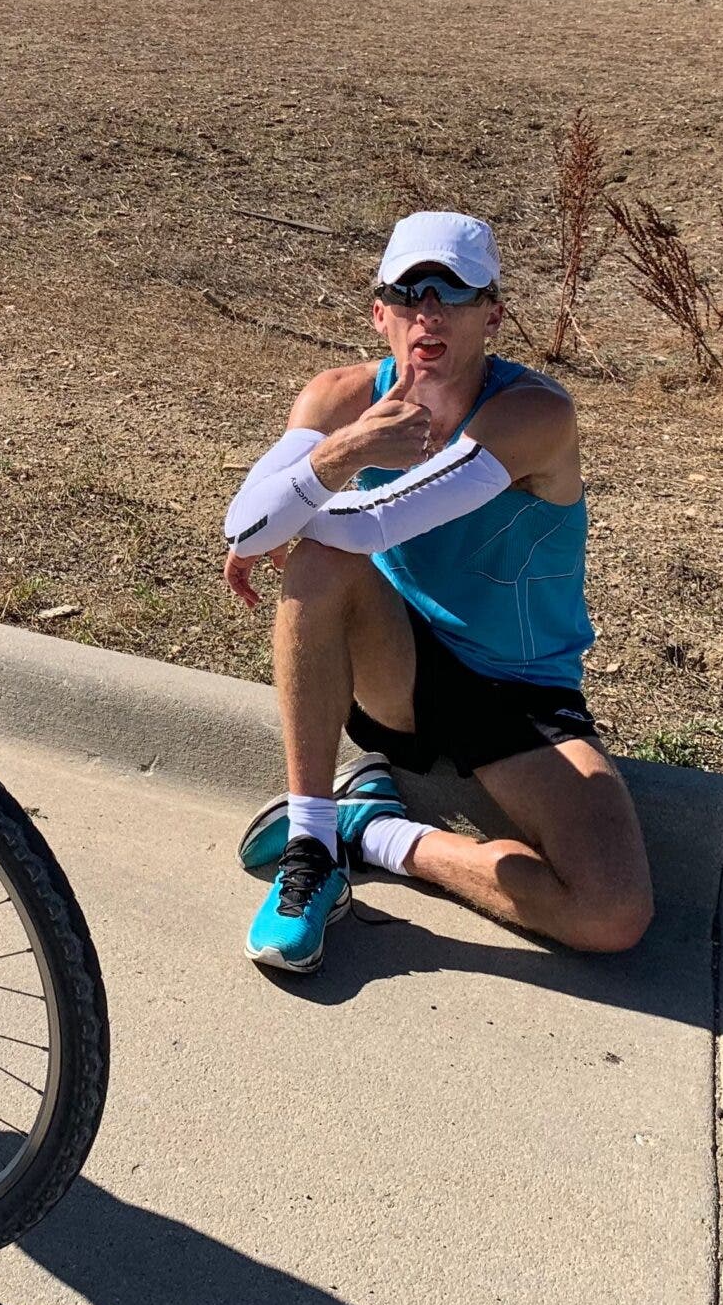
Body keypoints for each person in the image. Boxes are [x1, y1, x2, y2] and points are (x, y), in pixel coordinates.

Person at [220, 211, 650, 976]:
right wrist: (343, 451)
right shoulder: (339, 396)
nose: (429, 313)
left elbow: (372, 520)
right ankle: (312, 846)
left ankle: (371, 832)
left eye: (453, 294)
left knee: (611, 912)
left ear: (493, 315)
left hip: (519, 692)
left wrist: (297, 500)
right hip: (396, 666)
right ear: (379, 313)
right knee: (319, 562)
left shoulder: (535, 415)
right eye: (408, 293)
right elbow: (245, 527)